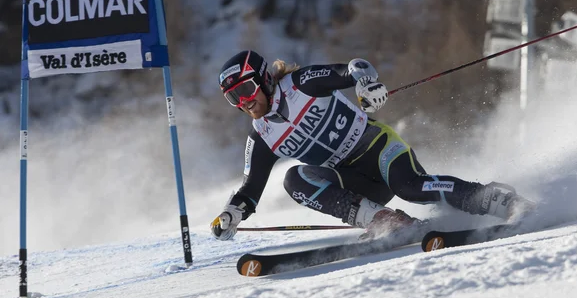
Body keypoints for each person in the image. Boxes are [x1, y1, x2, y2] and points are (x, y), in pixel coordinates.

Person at [210, 50, 535, 241]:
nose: (244, 103)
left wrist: (368, 86)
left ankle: (501, 200)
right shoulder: (261, 135)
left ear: (264, 79)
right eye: (233, 99)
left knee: (411, 187)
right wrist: (232, 213)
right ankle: (384, 220)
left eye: (247, 90)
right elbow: (250, 189)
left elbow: (355, 68)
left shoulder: (301, 85)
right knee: (293, 179)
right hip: (355, 182)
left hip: (379, 150)